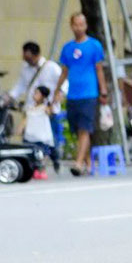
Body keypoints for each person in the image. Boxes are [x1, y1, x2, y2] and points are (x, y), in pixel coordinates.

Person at [53, 13, 107, 176]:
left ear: (86, 25)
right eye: (76, 24)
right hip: (72, 94)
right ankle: (89, 163)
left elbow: (99, 69)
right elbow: (64, 71)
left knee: (85, 129)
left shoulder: (94, 45)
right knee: (78, 130)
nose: (79, 27)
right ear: (71, 26)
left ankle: (78, 163)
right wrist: (57, 90)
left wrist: (103, 90)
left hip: (89, 93)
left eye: (82, 24)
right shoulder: (68, 48)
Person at [6, 41, 63, 141]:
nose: (26, 60)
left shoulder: (51, 67)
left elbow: (64, 83)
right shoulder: (25, 68)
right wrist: (9, 97)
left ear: (36, 55)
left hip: (48, 111)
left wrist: (59, 95)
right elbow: (20, 86)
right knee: (30, 140)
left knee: (50, 141)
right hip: (31, 108)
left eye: (28, 58)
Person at [23, 85, 56, 178]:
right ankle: (34, 170)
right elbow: (26, 119)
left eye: (37, 93)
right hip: (30, 135)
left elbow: (50, 112)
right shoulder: (30, 107)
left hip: (41, 136)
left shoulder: (44, 107)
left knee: (43, 154)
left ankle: (42, 170)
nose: (34, 95)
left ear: (43, 96)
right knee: (31, 154)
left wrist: (50, 104)